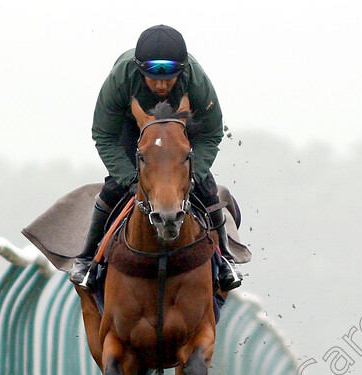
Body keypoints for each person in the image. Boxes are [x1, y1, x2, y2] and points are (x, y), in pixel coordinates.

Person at [69, 24, 242, 292]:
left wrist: (194, 176)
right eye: (153, 77)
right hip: (134, 131)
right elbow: (104, 136)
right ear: (139, 70)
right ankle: (87, 259)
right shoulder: (120, 78)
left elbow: (211, 134)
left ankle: (226, 260)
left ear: (182, 71)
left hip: (185, 130)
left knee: (207, 188)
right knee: (113, 188)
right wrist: (128, 179)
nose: (161, 85)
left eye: (169, 78)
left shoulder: (196, 81)